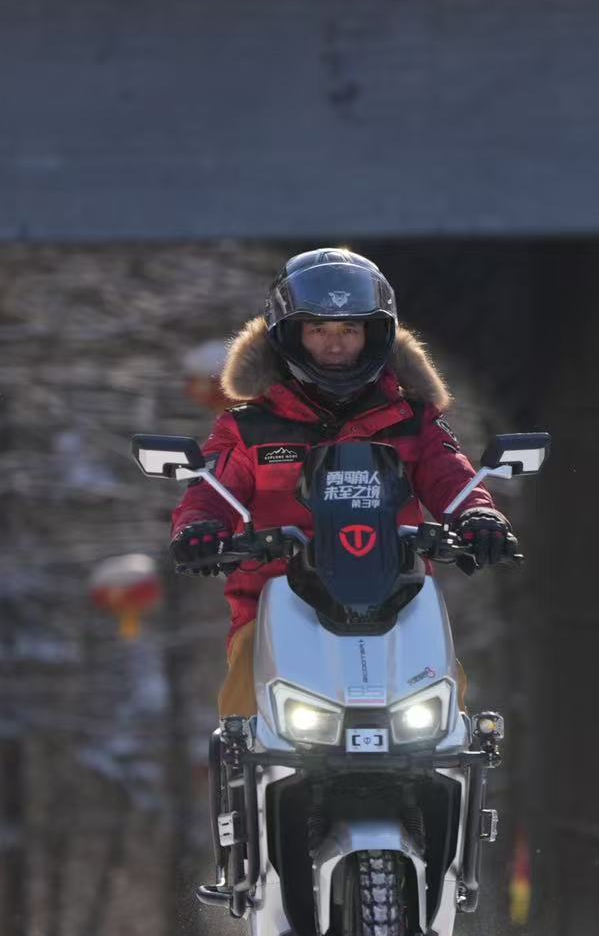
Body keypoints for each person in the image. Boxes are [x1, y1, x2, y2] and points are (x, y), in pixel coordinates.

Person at [169, 248, 517, 718]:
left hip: (398, 599)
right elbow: (210, 490)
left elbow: (449, 473)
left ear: (374, 335)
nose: (335, 345)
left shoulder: (413, 419)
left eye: (349, 330)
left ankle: (456, 781)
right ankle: (241, 783)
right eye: (318, 330)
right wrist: (200, 530)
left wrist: (479, 516)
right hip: (279, 602)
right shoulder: (248, 428)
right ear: (289, 335)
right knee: (243, 708)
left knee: (450, 701)